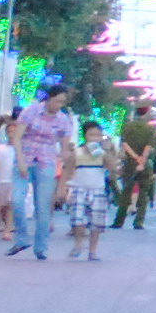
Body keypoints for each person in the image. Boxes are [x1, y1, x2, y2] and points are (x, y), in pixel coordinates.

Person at [15, 85, 76, 257]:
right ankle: (21, 238)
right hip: (25, 158)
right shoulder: (30, 111)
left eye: (62, 102)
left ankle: (41, 246)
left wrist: (66, 164)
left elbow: (64, 147)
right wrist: (20, 162)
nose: (59, 105)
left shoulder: (63, 120)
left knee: (42, 206)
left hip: (46, 161)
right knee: (16, 200)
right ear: (49, 98)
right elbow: (17, 137)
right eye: (57, 101)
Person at [67, 135, 112, 259]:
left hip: (97, 189)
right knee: (78, 219)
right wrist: (63, 187)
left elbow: (112, 167)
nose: (94, 138)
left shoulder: (102, 153)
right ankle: (78, 245)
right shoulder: (77, 152)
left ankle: (92, 250)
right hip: (79, 188)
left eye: (97, 135)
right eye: (92, 134)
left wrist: (107, 150)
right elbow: (68, 169)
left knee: (96, 222)